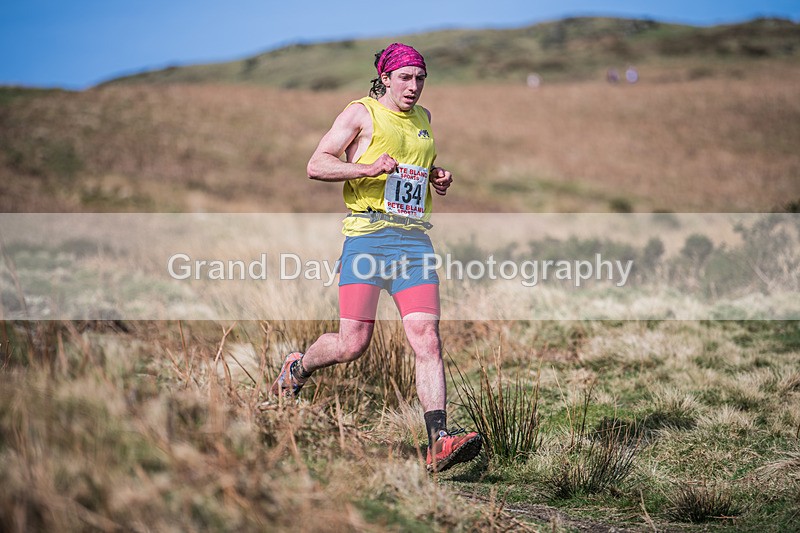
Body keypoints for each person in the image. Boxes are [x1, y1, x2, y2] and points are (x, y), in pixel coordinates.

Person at [270, 43, 481, 473]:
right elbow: (317, 164)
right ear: (385, 77)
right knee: (352, 345)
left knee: (427, 338)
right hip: (367, 239)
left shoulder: (423, 119)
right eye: (405, 77)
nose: (414, 86)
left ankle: (439, 440)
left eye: (421, 78)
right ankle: (298, 367)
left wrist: (436, 176)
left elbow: (416, 166)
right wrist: (364, 169)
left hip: (414, 244)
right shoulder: (360, 112)